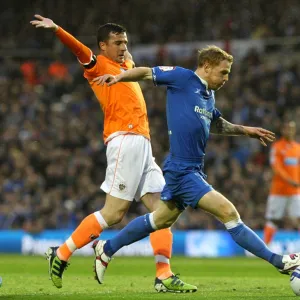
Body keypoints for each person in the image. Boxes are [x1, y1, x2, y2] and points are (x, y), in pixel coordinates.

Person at [91, 45, 300, 289]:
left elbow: (217, 125)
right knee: (228, 212)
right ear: (207, 66)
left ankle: (107, 248)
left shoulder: (208, 96)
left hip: (192, 169)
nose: (226, 79)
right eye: (223, 72)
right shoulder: (183, 78)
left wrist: (247, 131)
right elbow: (146, 73)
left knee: (159, 220)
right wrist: (119, 76)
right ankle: (279, 261)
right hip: (182, 169)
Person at [30, 15, 197, 293]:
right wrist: (58, 29)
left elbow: (130, 58)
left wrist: (127, 52)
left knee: (164, 212)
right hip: (124, 140)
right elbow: (79, 50)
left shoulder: (126, 66)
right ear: (102, 46)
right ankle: (60, 254)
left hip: (143, 142)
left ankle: (163, 275)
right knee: (114, 213)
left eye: (125, 42)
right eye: (117, 42)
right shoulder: (97, 66)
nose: (122, 47)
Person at [264, 120, 300, 245]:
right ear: (283, 130)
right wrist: (291, 181)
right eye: (287, 128)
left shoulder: (297, 148)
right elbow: (277, 168)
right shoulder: (277, 147)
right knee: (273, 220)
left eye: (291, 128)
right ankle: (266, 248)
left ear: (294, 130)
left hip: (295, 192)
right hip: (279, 191)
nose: (289, 131)